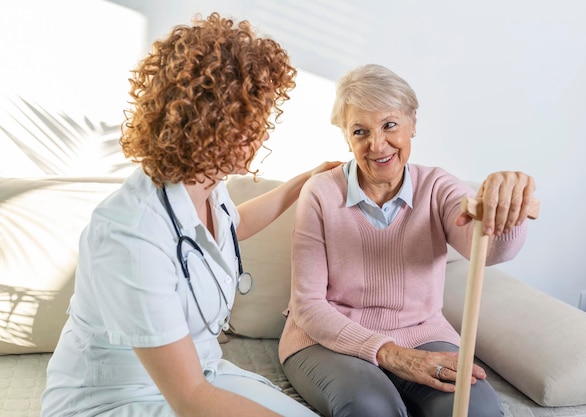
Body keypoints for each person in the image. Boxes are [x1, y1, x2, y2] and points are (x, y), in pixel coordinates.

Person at [41, 12, 337, 417]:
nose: (265, 134)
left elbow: (232, 228)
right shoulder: (130, 234)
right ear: (212, 124)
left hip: (202, 373)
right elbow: (191, 400)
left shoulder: (203, 185)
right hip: (120, 397)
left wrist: (301, 183)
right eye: (254, 119)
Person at [278, 64, 537, 417]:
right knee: (371, 407)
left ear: (412, 122)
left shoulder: (439, 188)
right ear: (346, 138)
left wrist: (507, 209)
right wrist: (390, 354)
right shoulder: (321, 193)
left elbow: (488, 252)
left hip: (419, 331)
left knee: (478, 411)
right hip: (328, 337)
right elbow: (308, 306)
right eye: (360, 132)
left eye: (389, 125)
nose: (377, 145)